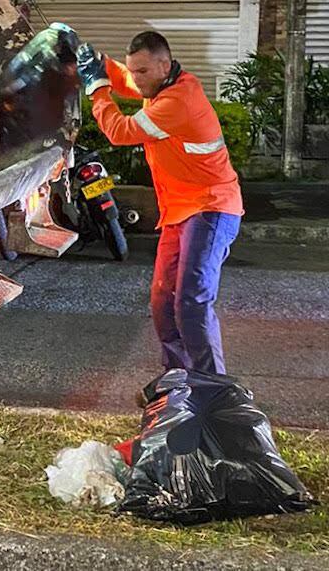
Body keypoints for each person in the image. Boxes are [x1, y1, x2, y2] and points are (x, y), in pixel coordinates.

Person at [76, 31, 243, 375]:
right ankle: (175, 379)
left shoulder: (178, 101)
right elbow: (126, 79)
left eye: (143, 72)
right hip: (180, 211)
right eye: (134, 70)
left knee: (192, 302)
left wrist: (97, 88)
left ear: (164, 65)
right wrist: (97, 61)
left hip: (211, 207)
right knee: (162, 301)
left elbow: (119, 131)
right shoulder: (160, 85)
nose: (136, 79)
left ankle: (211, 388)